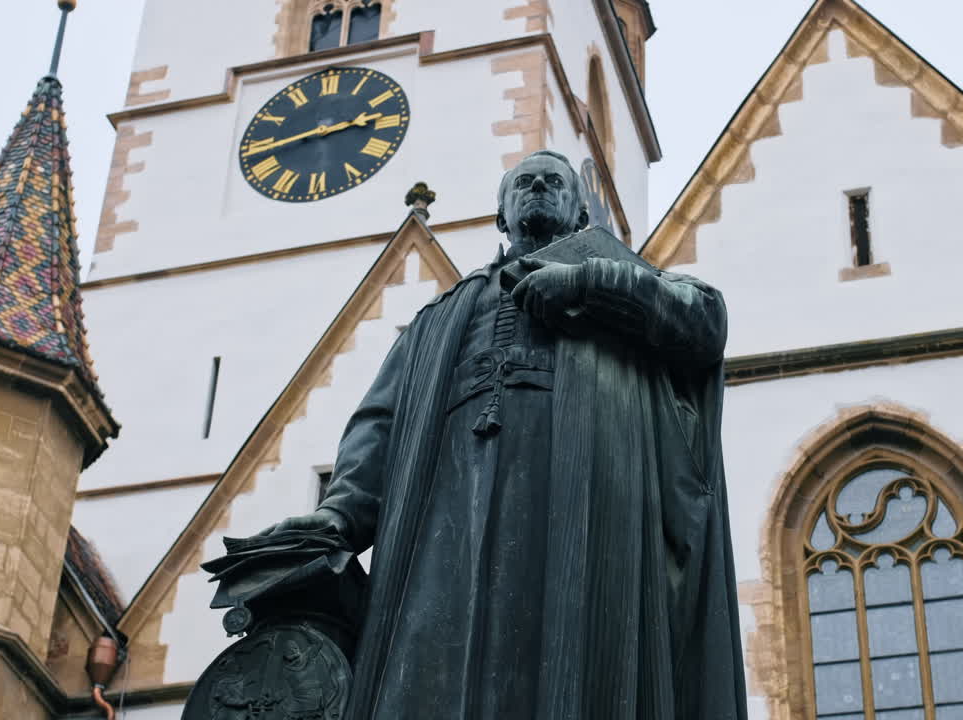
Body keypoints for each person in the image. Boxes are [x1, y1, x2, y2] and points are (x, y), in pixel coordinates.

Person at [261, 150, 747, 719]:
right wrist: (339, 515)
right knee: (427, 669)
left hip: (582, 502)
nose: (538, 186)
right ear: (500, 213)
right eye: (524, 182)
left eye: (553, 182)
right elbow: (379, 425)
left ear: (580, 210)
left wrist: (594, 284)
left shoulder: (624, 281)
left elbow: (706, 321)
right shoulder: (438, 319)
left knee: (574, 660)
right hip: (449, 516)